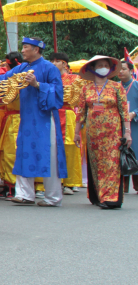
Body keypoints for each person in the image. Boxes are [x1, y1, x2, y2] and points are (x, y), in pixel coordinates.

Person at [0, 37, 65, 207]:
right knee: (24, 152)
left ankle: (52, 197)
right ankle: (25, 194)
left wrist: (38, 85)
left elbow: (57, 94)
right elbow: (3, 80)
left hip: (45, 119)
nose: (23, 50)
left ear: (36, 50)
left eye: (26, 47)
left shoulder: (49, 68)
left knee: (49, 155)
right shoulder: (22, 68)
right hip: (27, 119)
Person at [75, 56, 130, 209]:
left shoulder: (116, 87)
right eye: (100, 65)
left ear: (111, 69)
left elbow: (124, 111)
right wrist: (77, 133)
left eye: (106, 65)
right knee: (96, 163)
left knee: (111, 163)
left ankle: (111, 198)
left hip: (113, 133)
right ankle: (99, 195)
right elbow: (81, 113)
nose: (103, 67)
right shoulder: (86, 88)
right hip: (93, 133)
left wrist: (128, 133)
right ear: (93, 68)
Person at [50, 52, 83, 195]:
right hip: (52, 114)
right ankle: (54, 182)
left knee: (69, 147)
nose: (53, 64)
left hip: (68, 114)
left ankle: (70, 182)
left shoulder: (75, 79)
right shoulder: (49, 78)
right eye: (51, 61)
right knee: (52, 148)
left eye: (56, 61)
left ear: (64, 64)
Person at [118, 59, 138, 193]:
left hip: (135, 126)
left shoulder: (136, 85)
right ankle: (121, 187)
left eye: (123, 69)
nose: (121, 71)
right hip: (118, 125)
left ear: (131, 71)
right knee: (119, 154)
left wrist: (134, 113)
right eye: (118, 69)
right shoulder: (115, 86)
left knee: (135, 153)